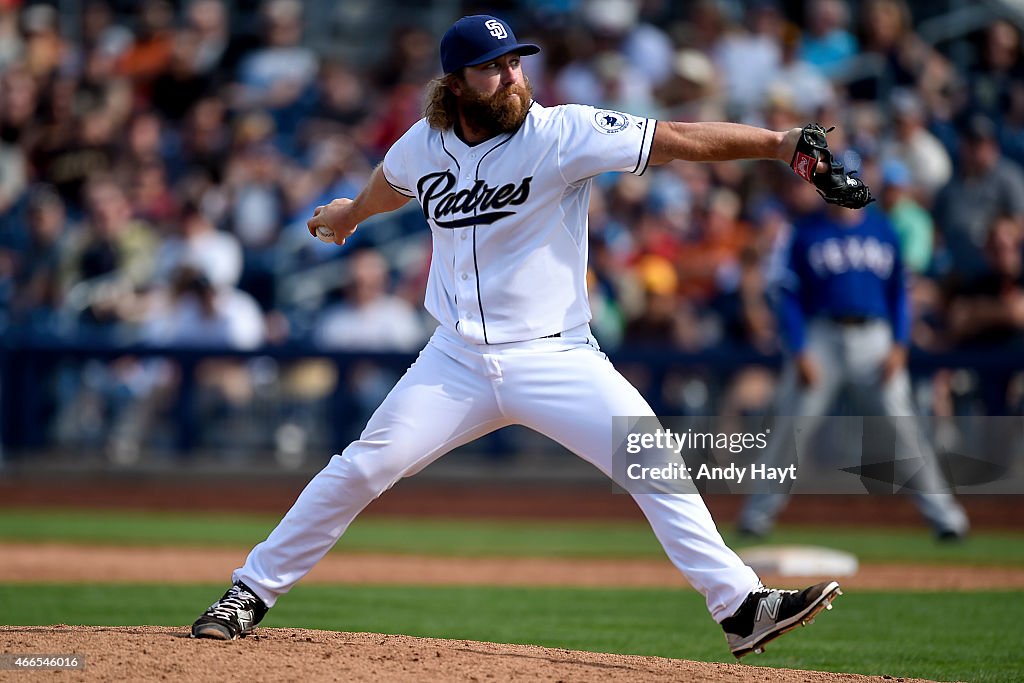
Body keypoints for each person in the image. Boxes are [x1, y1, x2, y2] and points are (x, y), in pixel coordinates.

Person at [191, 15, 842, 659]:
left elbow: (674, 138)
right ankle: (248, 590)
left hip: (556, 354)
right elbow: (389, 184)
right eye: (492, 66)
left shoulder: (561, 132)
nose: (510, 75)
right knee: (362, 466)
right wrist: (351, 216)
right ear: (454, 83)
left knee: (652, 460)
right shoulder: (424, 143)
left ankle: (739, 605)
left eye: (514, 61)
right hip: (455, 361)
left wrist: (778, 143)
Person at [736, 180, 969, 540]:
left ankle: (947, 519)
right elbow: (790, 298)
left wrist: (899, 345)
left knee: (904, 428)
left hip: (875, 339)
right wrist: (798, 349)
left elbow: (898, 295)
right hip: (821, 337)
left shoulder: (882, 229)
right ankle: (756, 517)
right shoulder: (807, 231)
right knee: (790, 429)